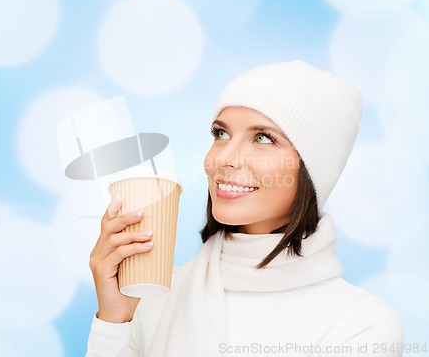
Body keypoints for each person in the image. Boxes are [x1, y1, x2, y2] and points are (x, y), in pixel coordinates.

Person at [86, 60, 403, 357]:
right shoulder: (152, 296)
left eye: (264, 138)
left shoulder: (361, 324)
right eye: (221, 134)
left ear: (312, 171)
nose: (225, 158)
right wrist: (114, 323)